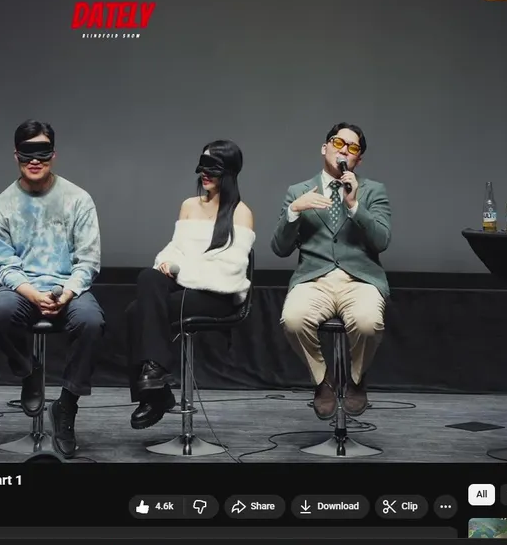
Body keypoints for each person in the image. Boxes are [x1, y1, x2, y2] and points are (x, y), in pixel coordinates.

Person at [0, 120, 104, 458]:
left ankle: (66, 405)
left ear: (54, 154)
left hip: (68, 288)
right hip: (21, 290)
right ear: (16, 155)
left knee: (92, 321)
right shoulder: (0, 206)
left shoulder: (78, 199)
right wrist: (32, 294)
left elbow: (88, 260)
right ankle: (27, 370)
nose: (35, 160)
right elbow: (4, 265)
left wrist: (67, 292)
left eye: (42, 152)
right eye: (27, 153)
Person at [127, 140, 255, 430]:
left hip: (218, 294)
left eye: (213, 168)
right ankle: (155, 377)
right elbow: (176, 249)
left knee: (137, 312)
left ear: (229, 171)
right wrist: (167, 262)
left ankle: (154, 395)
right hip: (186, 287)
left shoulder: (241, 213)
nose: (204, 174)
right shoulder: (189, 205)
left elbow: (229, 269)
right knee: (148, 277)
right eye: (202, 166)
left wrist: (179, 271)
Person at [273, 123, 391, 419]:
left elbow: (382, 241)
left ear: (358, 160)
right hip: (314, 279)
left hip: (360, 280)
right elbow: (279, 248)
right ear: (324, 147)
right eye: (338, 143)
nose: (344, 151)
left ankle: (356, 378)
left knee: (368, 323)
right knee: (293, 320)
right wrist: (294, 212)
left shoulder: (373, 190)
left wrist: (355, 206)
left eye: (352, 148)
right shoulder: (298, 191)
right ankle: (322, 380)